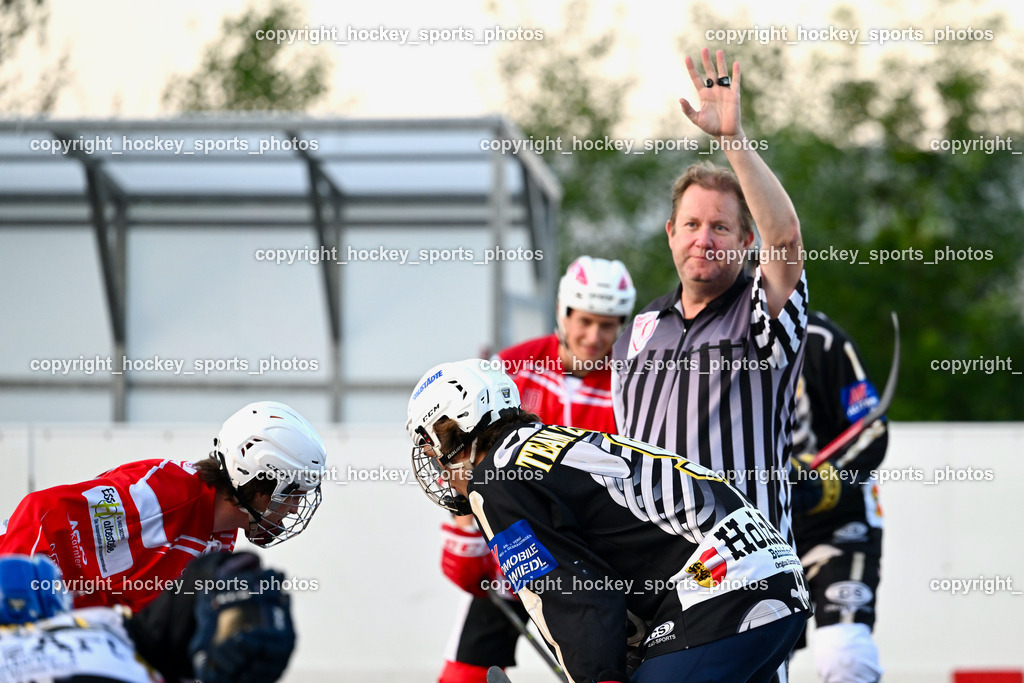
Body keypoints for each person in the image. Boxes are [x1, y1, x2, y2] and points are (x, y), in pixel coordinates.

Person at [407, 359, 811, 683]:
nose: (435, 463)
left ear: (454, 426)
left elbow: (568, 591)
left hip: (721, 587)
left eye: (431, 444)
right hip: (772, 574)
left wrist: (599, 675)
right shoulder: (552, 441)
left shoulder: (494, 478)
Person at [612, 48, 808, 548]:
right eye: (693, 225)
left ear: (746, 242)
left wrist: (733, 141)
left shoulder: (761, 311)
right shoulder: (640, 328)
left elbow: (784, 238)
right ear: (671, 233)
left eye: (721, 227)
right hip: (651, 575)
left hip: (744, 575)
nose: (705, 239)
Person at [437, 256, 636, 683]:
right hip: (512, 548)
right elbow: (457, 443)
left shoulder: (631, 383)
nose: (594, 336)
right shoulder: (510, 368)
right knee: (463, 674)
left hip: (593, 561)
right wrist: (462, 529)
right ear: (562, 313)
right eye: (584, 321)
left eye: (608, 324)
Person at [0, 400, 326, 611]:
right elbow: (42, 511)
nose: (294, 508)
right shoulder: (164, 494)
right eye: (292, 494)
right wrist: (19, 599)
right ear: (256, 481)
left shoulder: (222, 535)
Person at [0, 550, 296, 683]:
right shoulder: (99, 627)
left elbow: (160, 628)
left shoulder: (102, 628)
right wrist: (219, 580)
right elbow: (161, 627)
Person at [788, 311, 887, 682]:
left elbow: (872, 428)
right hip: (753, 531)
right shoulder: (704, 344)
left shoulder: (823, 339)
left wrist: (827, 479)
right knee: (758, 664)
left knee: (845, 657)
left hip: (837, 525)